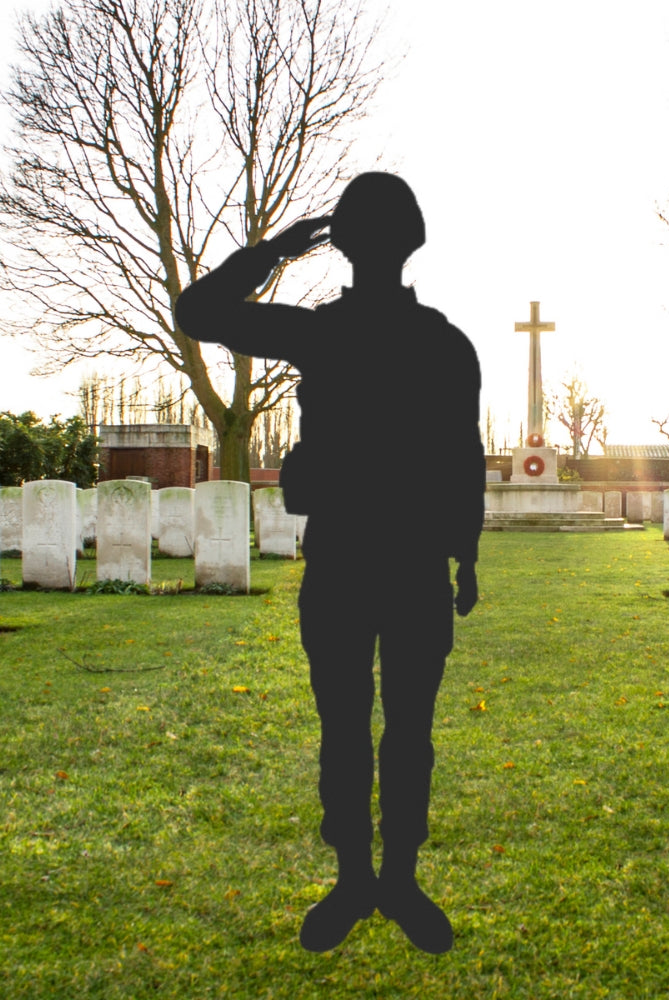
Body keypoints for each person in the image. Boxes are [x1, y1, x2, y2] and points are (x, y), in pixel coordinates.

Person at [175, 173, 484, 954]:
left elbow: (198, 312)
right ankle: (365, 881)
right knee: (377, 730)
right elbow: (466, 460)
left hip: (380, 561)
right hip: (372, 561)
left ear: (339, 243)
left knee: (366, 729)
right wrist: (468, 556)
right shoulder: (437, 340)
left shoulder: (335, 335)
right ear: (411, 240)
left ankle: (387, 880)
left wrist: (276, 252)